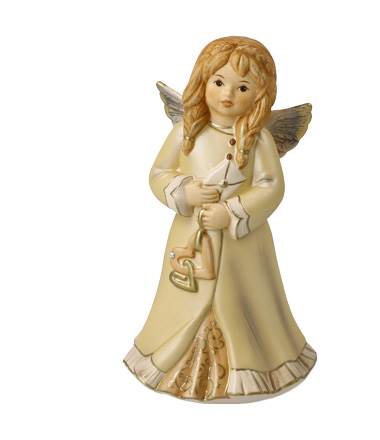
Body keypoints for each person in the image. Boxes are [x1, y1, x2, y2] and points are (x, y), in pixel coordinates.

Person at [123, 36, 317, 403]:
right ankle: (172, 353)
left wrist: (232, 211)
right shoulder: (186, 132)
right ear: (202, 81)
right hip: (191, 235)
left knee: (244, 299)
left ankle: (252, 363)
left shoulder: (258, 140)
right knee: (184, 297)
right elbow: (158, 174)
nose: (228, 94)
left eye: (242, 87)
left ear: (259, 95)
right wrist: (184, 191)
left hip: (244, 245)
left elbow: (271, 186)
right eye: (218, 82)